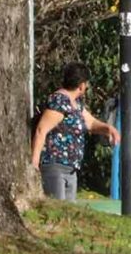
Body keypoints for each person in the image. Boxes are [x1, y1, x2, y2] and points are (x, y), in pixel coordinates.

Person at [31, 62, 120, 201]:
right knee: (58, 210)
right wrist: (34, 163)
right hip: (55, 167)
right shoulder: (60, 102)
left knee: (68, 215)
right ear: (82, 85)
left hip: (71, 169)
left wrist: (108, 129)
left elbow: (90, 123)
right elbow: (41, 129)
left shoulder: (76, 104)